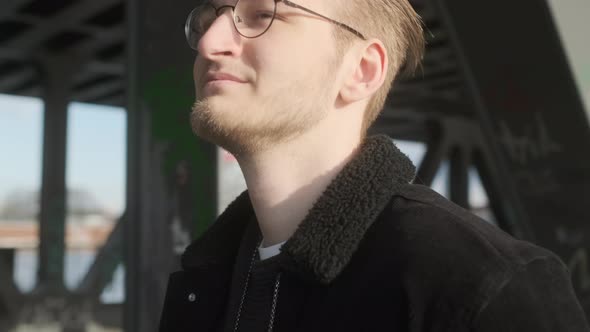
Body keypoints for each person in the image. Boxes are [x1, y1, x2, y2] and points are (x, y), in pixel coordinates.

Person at [159, 0, 590, 331]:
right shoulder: (207, 276)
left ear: (362, 71)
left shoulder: (483, 285)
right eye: (211, 15)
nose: (209, 40)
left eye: (263, 14)